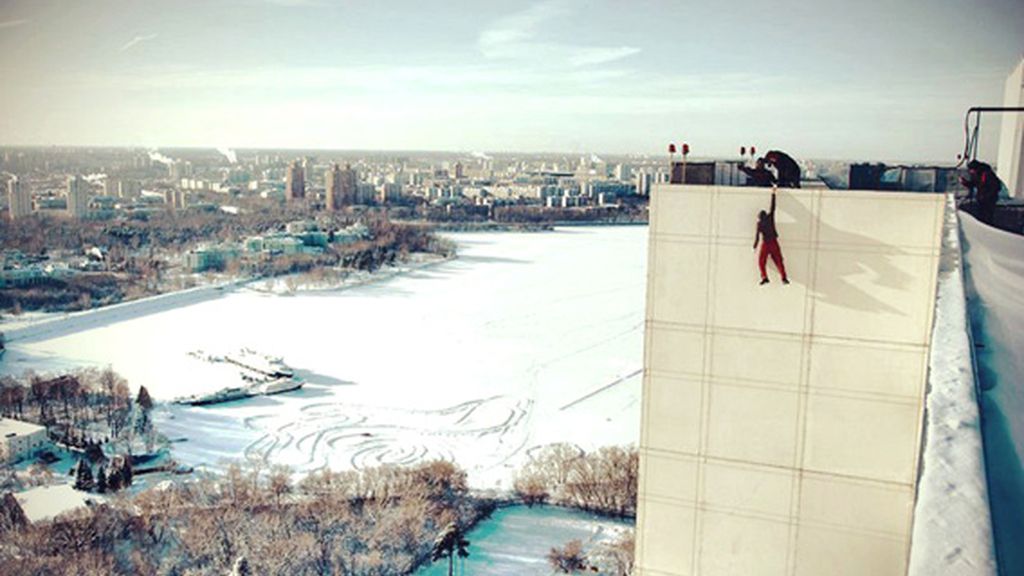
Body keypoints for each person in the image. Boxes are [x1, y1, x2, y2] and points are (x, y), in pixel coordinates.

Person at [753, 187, 789, 285]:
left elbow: (757, 236)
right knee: (778, 260)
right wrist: (773, 194)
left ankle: (764, 277)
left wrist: (755, 246)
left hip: (766, 243)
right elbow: (773, 207)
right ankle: (783, 278)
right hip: (774, 242)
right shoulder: (770, 218)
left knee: (761, 261)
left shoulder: (759, 223)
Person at [959, 160, 1002, 225]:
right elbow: (974, 184)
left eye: (971, 170)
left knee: (987, 217)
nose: (970, 172)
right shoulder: (977, 174)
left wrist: (987, 196)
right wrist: (965, 182)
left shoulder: (987, 174)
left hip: (989, 200)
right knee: (981, 216)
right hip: (981, 199)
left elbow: (996, 186)